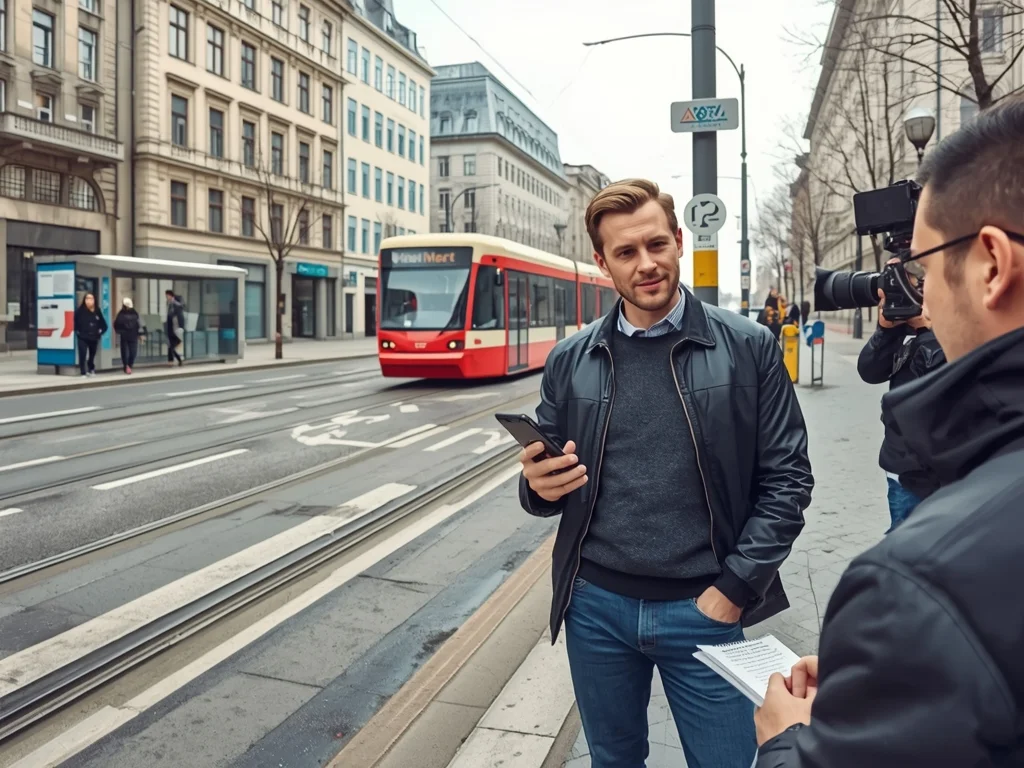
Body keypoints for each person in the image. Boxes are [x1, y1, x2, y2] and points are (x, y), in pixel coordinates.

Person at [755, 94, 1024, 767]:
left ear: (990, 264)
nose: (921, 294)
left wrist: (789, 740)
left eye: (927, 270)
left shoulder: (919, 582)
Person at [517, 178, 813, 768]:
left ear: (679, 241)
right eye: (626, 253)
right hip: (595, 607)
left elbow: (788, 479)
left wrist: (733, 591)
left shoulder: (748, 347)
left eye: (657, 244)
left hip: (703, 608)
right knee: (613, 760)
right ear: (603, 263)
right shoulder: (570, 360)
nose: (647, 264)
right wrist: (535, 487)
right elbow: (543, 484)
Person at [856, 262, 945, 531]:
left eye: (915, 281)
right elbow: (869, 371)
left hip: (946, 472)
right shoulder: (902, 327)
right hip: (903, 471)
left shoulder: (957, 326)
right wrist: (886, 329)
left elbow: (942, 387)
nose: (908, 290)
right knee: (902, 550)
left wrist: (928, 331)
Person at [74, 292, 107, 377]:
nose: (89, 300)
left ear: (94, 300)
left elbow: (103, 325)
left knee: (92, 355)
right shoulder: (79, 311)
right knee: (83, 353)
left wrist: (100, 332)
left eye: (91, 298)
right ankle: (83, 372)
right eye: (87, 298)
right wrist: (78, 332)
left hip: (94, 337)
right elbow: (75, 323)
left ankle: (91, 368)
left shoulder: (97, 310)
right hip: (83, 337)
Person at [114, 297, 143, 374]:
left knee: (133, 353)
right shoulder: (121, 314)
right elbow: (116, 325)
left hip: (133, 336)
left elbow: (140, 324)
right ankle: (126, 366)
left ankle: (129, 365)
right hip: (124, 336)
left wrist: (140, 334)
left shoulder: (135, 314)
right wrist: (120, 332)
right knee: (125, 353)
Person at [165, 289, 185, 366]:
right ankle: (175, 360)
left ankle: (172, 360)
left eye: (167, 296)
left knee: (171, 345)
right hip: (170, 327)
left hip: (175, 328)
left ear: (171, 295)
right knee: (171, 345)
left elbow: (179, 316)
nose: (166, 297)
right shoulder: (169, 304)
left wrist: (181, 327)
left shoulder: (175, 305)